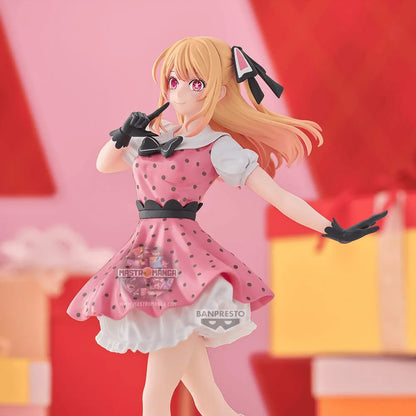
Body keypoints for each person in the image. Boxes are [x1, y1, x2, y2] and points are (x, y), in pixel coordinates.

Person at [67, 36, 387, 416]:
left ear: (218, 92)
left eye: (195, 83)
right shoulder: (155, 134)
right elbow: (105, 163)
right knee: (208, 397)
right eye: (173, 81)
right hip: (148, 262)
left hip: (187, 267)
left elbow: (278, 195)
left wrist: (330, 229)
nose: (179, 91)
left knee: (156, 396)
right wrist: (124, 134)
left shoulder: (219, 146)